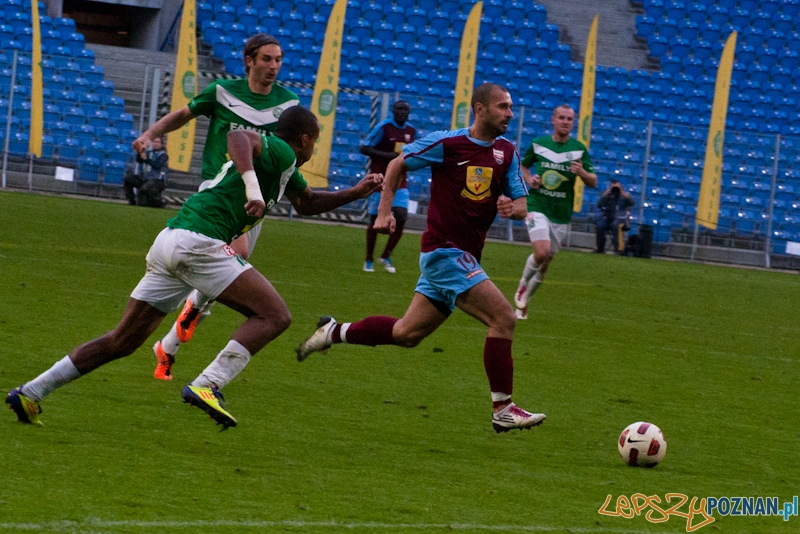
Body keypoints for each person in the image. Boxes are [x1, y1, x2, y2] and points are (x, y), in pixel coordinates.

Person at [6, 106, 383, 428]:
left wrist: (357, 192)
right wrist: (252, 188)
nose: (313, 149)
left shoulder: (285, 171)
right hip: (200, 243)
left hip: (171, 240)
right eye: (314, 142)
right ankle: (209, 384)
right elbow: (238, 137)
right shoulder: (282, 152)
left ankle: (31, 392)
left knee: (122, 340)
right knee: (275, 316)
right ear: (303, 139)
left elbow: (308, 202)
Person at [296, 83, 546, 433]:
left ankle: (332, 332)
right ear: (480, 109)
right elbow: (398, 163)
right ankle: (503, 408)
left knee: (406, 333)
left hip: (465, 257)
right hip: (445, 252)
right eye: (503, 106)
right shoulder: (447, 144)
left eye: (511, 107)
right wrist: (385, 212)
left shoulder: (506, 151)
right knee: (504, 318)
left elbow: (520, 203)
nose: (510, 113)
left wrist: (512, 209)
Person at [132, 33, 300, 381]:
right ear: (249, 60)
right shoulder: (223, 91)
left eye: (279, 60)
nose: (274, 66)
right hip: (218, 188)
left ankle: (169, 345)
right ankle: (189, 340)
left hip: (256, 199)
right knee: (232, 254)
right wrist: (150, 134)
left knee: (230, 266)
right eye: (267, 59)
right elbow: (182, 115)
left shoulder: (289, 104)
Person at [513, 104, 598, 320]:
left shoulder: (578, 150)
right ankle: (522, 285)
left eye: (569, 119)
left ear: (573, 122)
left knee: (545, 263)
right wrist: (530, 179)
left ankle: (524, 303)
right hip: (538, 205)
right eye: (561, 117)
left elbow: (594, 181)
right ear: (553, 119)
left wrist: (581, 173)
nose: (565, 122)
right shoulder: (539, 144)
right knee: (541, 252)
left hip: (561, 213)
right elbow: (523, 166)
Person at [359, 100, 416, 273]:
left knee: (401, 215)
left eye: (405, 110)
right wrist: (388, 156)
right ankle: (368, 259)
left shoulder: (411, 131)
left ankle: (385, 256)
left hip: (400, 181)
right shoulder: (383, 127)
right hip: (380, 180)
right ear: (393, 111)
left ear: (408, 113)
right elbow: (364, 148)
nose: (401, 112)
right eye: (398, 109)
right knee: (376, 220)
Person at [123, 137, 168, 207]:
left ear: (162, 144)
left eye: (158, 142)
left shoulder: (163, 155)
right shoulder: (149, 153)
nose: (155, 144)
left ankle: (160, 201)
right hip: (145, 179)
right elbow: (139, 160)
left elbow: (157, 165)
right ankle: (131, 200)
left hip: (157, 180)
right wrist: (139, 151)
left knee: (144, 189)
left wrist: (146, 159)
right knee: (128, 179)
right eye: (154, 142)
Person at [595, 179, 634, 254]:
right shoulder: (608, 196)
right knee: (600, 225)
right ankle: (599, 248)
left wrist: (624, 194)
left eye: (617, 188)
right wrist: (604, 195)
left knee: (616, 225)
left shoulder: (624, 197)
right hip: (608, 217)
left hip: (620, 218)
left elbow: (631, 203)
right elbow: (599, 205)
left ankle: (619, 250)